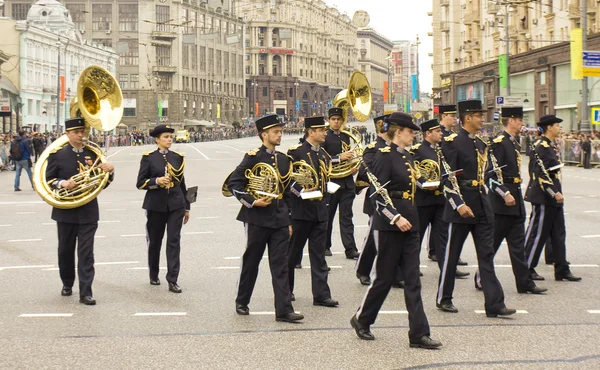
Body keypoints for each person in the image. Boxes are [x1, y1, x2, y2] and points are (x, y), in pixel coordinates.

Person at [351, 112, 441, 349]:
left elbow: (413, 185)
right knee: (384, 278)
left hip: (411, 222)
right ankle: (362, 319)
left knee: (413, 280)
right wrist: (395, 217)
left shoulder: (408, 157)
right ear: (398, 132)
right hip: (390, 225)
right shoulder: (384, 157)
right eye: (410, 132)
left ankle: (418, 334)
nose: (413, 136)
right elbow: (377, 194)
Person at [437, 99, 516, 317]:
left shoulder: (481, 142)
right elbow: (447, 179)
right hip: (461, 207)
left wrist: (497, 194)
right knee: (452, 255)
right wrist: (459, 204)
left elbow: (488, 174)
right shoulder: (452, 142)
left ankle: (494, 304)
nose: (482, 119)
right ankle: (444, 297)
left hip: (482, 204)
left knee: (486, 255)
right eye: (479, 115)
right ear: (468, 118)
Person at [226, 114, 303, 323]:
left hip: (278, 218)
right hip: (257, 217)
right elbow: (234, 184)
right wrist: (252, 201)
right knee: (252, 261)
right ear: (264, 134)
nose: (280, 135)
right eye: (276, 132)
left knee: (281, 264)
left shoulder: (284, 160)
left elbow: (286, 192)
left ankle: (284, 310)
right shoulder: (252, 157)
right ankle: (242, 300)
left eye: (280, 131)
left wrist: (287, 221)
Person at [474, 107, 547, 294]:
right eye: (520, 119)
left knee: (518, 246)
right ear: (511, 120)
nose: (522, 123)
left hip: (515, 199)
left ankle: (524, 283)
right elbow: (490, 175)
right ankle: (481, 277)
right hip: (501, 203)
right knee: (492, 244)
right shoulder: (499, 143)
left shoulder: (514, 143)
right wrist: (504, 193)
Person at [45, 118, 115, 305]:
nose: (80, 135)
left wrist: (110, 171)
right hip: (65, 211)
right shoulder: (57, 154)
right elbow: (49, 180)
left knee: (86, 253)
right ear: (67, 133)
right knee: (65, 251)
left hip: (88, 210)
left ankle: (86, 292)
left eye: (82, 131)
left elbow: (102, 182)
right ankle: (67, 283)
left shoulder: (93, 154)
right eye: (76, 132)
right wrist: (63, 183)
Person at [287, 116, 339, 307]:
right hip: (301, 212)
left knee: (318, 255)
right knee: (292, 255)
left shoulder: (323, 155)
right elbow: (287, 180)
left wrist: (331, 191)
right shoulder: (296, 153)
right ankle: (286, 291)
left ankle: (321, 295)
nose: (325, 133)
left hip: (320, 211)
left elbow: (326, 180)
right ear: (311, 132)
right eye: (321, 130)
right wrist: (300, 191)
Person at [524, 115, 581, 282]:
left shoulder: (550, 146)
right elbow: (538, 173)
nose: (560, 128)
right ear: (549, 127)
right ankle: (527, 267)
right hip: (543, 197)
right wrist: (553, 192)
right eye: (557, 125)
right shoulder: (540, 147)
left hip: (553, 197)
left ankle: (561, 268)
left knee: (558, 233)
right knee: (538, 234)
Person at [410, 119, 470, 279]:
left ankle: (447, 269)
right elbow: (414, 171)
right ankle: (411, 268)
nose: (441, 133)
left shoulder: (439, 151)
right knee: (417, 236)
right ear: (428, 134)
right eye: (437, 131)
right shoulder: (417, 150)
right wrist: (423, 184)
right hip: (423, 201)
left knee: (443, 237)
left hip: (439, 201)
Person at [136, 124, 191, 293]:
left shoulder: (177, 157)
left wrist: (187, 207)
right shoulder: (148, 158)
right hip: (156, 204)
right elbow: (140, 183)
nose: (169, 140)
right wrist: (156, 181)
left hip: (176, 204)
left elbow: (182, 184)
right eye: (165, 137)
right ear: (157, 140)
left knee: (174, 241)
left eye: (170, 137)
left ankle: (172, 279)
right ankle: (154, 273)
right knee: (155, 241)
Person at [355, 114, 389, 286]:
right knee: (372, 239)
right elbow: (364, 171)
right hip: (377, 199)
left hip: (394, 199)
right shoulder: (373, 148)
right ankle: (363, 270)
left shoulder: (397, 147)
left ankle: (395, 273)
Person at [322, 107, 360, 259]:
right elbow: (322, 159)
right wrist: (339, 158)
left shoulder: (346, 137)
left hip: (346, 183)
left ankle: (350, 249)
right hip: (332, 182)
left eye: (338, 119)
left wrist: (353, 166)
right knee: (328, 216)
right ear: (329, 120)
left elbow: (349, 157)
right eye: (333, 119)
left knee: (347, 217)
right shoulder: (324, 137)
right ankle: (325, 246)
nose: (336, 122)